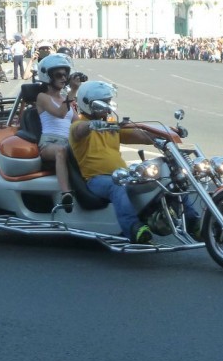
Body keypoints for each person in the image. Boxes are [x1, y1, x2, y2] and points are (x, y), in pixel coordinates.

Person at [69, 81, 199, 244]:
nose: (108, 106)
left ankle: (194, 221)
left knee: (168, 177)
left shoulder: (110, 124)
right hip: (96, 179)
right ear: (90, 104)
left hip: (123, 174)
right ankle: (134, 228)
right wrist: (91, 125)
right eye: (105, 102)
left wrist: (165, 135)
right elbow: (80, 131)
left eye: (109, 101)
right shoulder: (77, 125)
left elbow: (138, 134)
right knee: (116, 186)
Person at [35, 53, 77, 212]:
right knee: (61, 151)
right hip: (50, 143)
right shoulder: (42, 97)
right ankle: (66, 193)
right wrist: (73, 91)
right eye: (58, 75)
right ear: (47, 77)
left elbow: (77, 121)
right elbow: (60, 113)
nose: (63, 78)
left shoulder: (66, 98)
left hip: (69, 142)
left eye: (65, 75)